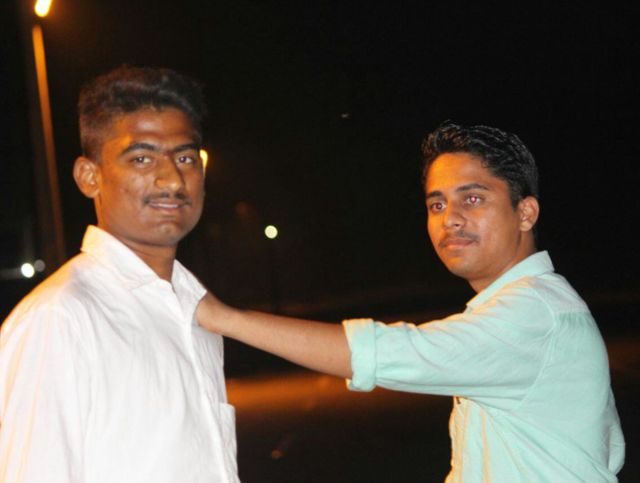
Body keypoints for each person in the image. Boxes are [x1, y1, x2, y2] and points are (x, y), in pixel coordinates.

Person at [197, 122, 625, 482]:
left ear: (526, 213)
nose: (450, 218)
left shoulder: (534, 314)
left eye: (472, 199)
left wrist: (225, 318)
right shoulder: (518, 308)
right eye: (437, 204)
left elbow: (389, 352)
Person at [0, 66, 239, 483]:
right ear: (89, 177)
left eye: (185, 158)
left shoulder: (193, 311)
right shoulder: (61, 318)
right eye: (142, 159)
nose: (172, 179)